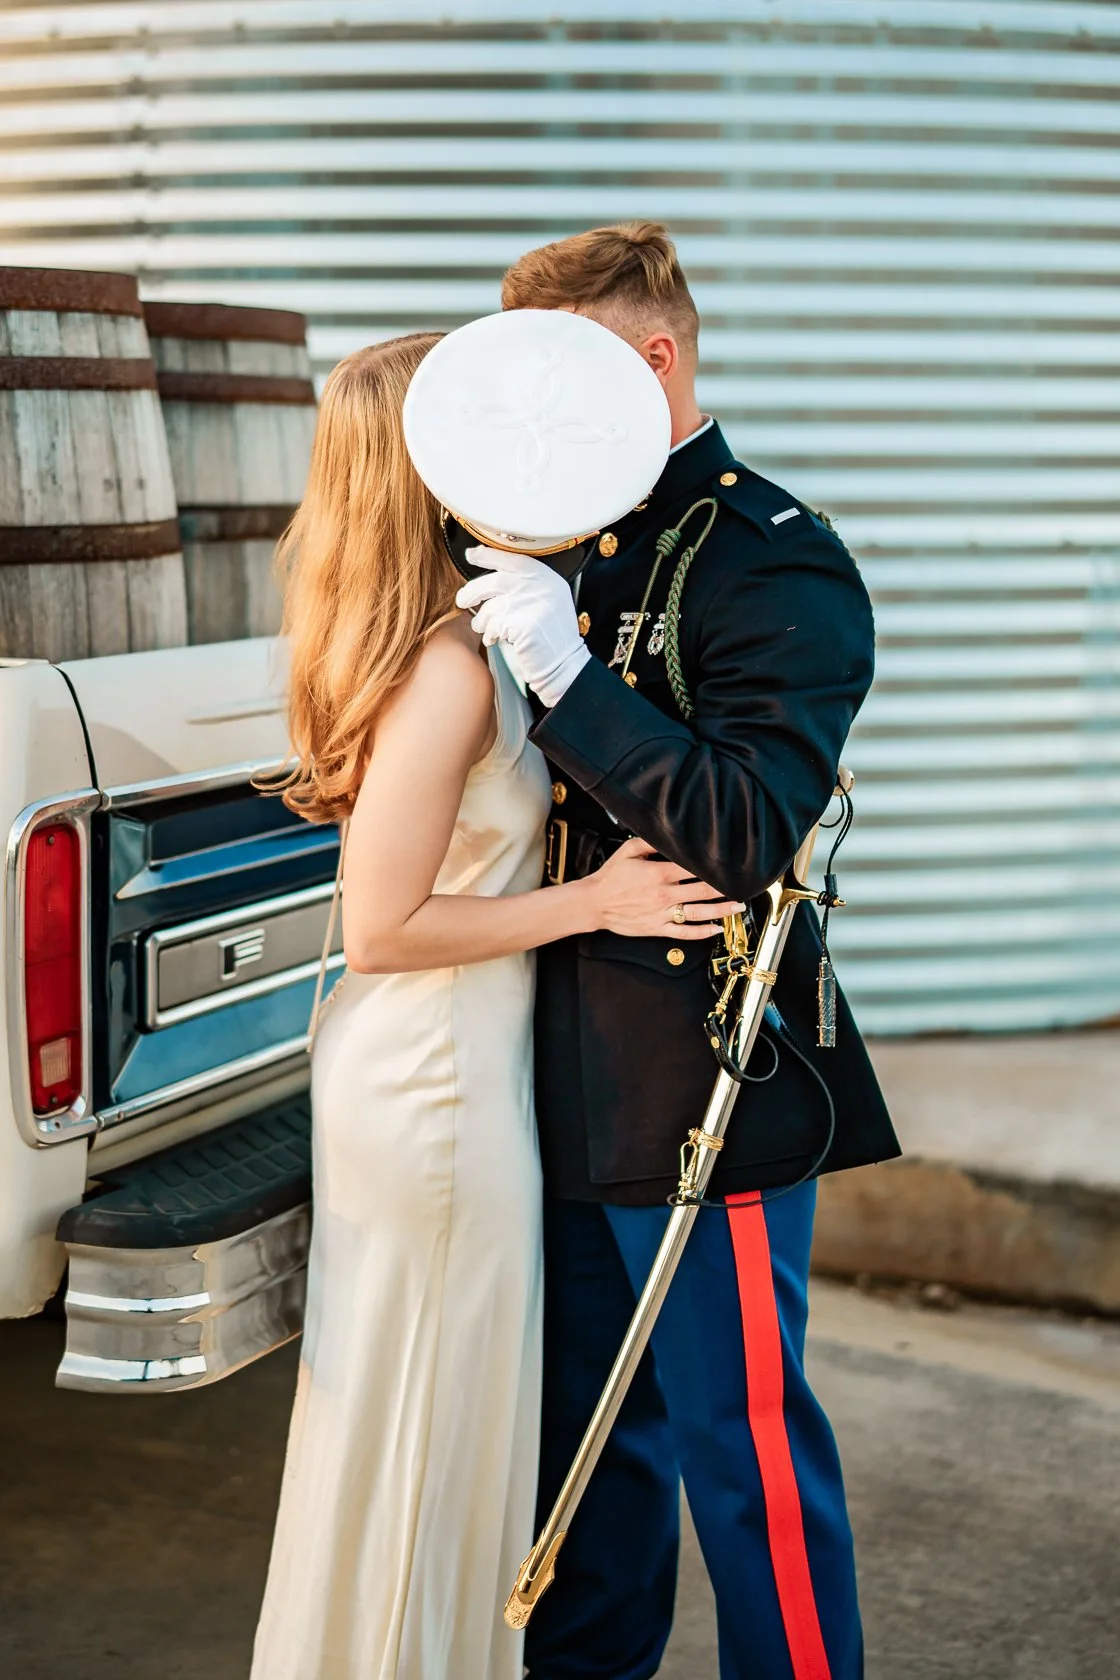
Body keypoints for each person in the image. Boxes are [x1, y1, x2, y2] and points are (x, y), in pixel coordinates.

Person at [249, 332, 744, 1680]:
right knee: (423, 1426)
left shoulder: (465, 633)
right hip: (435, 1084)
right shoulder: (448, 672)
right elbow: (384, 926)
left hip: (455, 1066)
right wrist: (598, 903)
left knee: (445, 1419)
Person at [458, 223, 902, 1680]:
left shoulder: (777, 559)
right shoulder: (559, 538)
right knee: (590, 1459)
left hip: (712, 1068)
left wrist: (571, 679)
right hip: (550, 1070)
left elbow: (746, 826)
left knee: (746, 1460)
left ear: (652, 359)